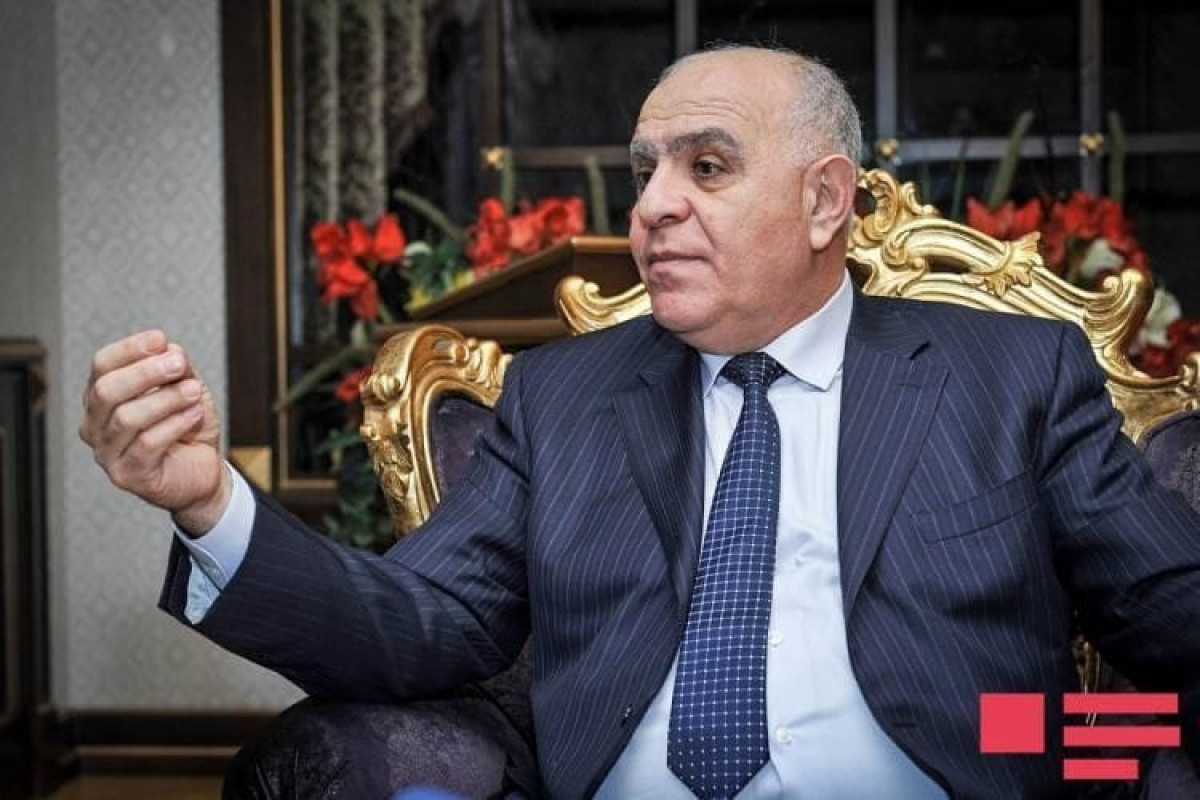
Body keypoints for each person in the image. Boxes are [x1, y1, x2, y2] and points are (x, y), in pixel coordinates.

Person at [79, 45, 1200, 800]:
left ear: (824, 201)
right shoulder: (563, 400)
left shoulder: (1008, 376)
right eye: (646, 171)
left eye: (707, 166)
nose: (654, 204)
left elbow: (1170, 618)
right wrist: (208, 502)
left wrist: (1072, 748)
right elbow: (419, 621)